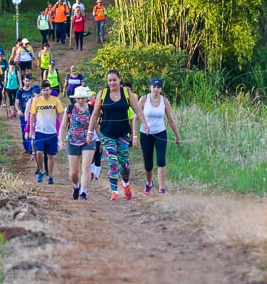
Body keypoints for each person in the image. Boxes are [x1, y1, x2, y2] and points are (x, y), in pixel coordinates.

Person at [87, 69, 149, 201]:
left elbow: (137, 110)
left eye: (114, 80)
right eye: (109, 80)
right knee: (112, 161)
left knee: (124, 164)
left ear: (120, 80)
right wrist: (90, 132)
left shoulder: (127, 93)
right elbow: (95, 114)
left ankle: (125, 184)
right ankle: (114, 191)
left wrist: (145, 124)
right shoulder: (102, 94)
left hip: (123, 133)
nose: (112, 83)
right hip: (107, 133)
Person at [138, 77, 182, 195]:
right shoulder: (144, 99)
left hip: (160, 133)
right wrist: (134, 136)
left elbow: (171, 120)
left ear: (161, 89)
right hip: (146, 134)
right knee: (148, 164)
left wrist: (178, 137)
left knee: (161, 160)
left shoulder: (164, 101)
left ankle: (162, 188)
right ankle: (149, 183)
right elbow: (135, 117)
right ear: (150, 87)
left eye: (158, 87)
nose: (156, 90)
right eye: (154, 87)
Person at [58, 86, 96, 200]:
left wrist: (102, 141)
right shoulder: (69, 109)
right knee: (73, 172)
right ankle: (76, 186)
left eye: (82, 98)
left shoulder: (92, 109)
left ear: (86, 98)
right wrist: (61, 141)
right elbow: (63, 126)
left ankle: (83, 192)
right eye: (78, 98)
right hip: (72, 141)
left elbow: (97, 126)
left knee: (86, 166)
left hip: (88, 141)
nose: (80, 100)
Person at [26, 81, 65, 184]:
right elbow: (32, 116)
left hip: (52, 132)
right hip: (39, 131)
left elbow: (61, 114)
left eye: (47, 90)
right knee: (39, 153)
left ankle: (50, 176)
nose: (46, 92)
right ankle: (41, 171)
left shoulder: (55, 100)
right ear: (41, 91)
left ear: (50, 90)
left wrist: (62, 128)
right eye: (44, 90)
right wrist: (31, 130)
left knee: (50, 156)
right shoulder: (37, 101)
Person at [14, 75, 39, 155]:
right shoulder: (20, 91)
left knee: (33, 130)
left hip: (33, 114)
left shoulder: (33, 90)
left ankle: (31, 147)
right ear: (23, 81)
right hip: (23, 114)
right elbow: (17, 103)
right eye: (26, 81)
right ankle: (26, 147)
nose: (27, 82)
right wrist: (18, 110)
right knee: (25, 130)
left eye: (29, 81)